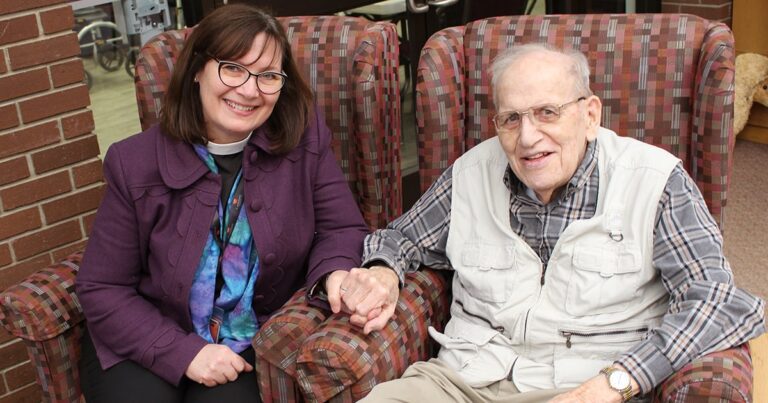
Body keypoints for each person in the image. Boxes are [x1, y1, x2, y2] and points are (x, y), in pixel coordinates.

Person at [350, 44, 766, 402]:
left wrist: (615, 382)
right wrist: (384, 271)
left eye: (547, 112)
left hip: (582, 386)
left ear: (590, 115)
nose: (528, 137)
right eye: (511, 118)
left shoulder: (655, 181)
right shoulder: (470, 174)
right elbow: (400, 237)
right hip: (463, 381)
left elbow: (714, 301)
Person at [74, 4, 382, 402]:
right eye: (233, 68)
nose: (250, 90)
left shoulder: (303, 138)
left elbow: (340, 228)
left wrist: (334, 272)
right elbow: (101, 287)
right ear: (198, 70)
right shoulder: (133, 163)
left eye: (268, 76)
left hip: (249, 339)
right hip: (144, 336)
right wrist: (185, 352)